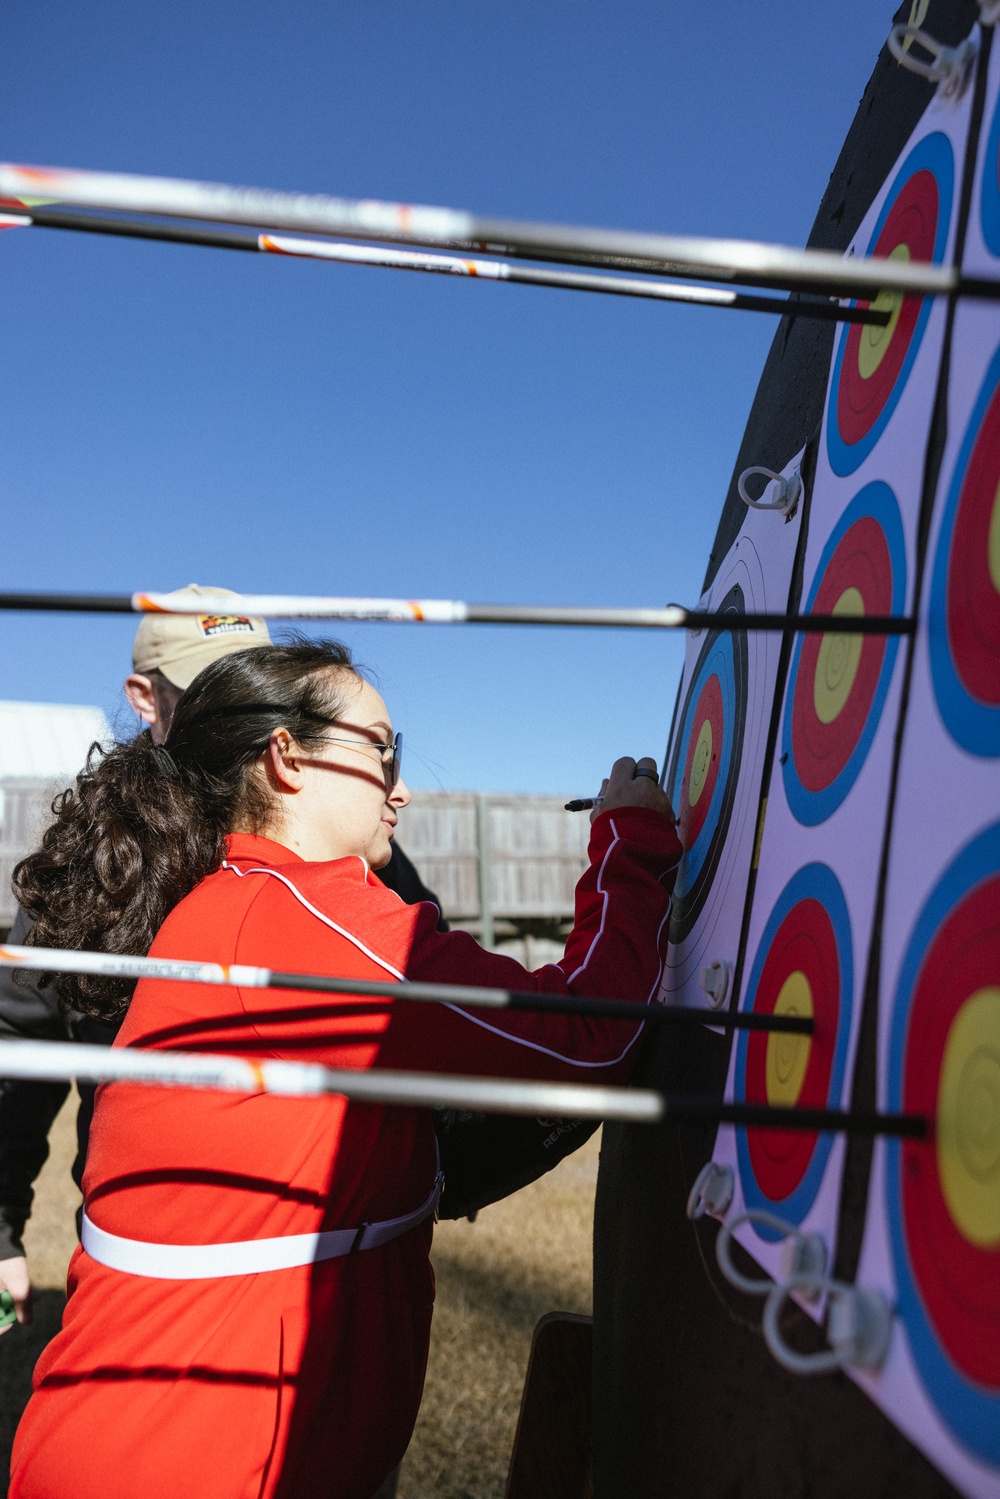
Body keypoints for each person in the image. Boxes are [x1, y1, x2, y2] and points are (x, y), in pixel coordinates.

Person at [8, 640, 680, 1499]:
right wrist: (630, 839)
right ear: (286, 760)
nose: (399, 784)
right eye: (379, 748)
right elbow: (592, 1034)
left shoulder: (242, 901)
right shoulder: (308, 915)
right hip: (193, 1458)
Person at [0, 586, 443, 1338]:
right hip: (152, 1251)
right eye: (205, 683)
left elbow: (430, 1000)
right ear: (144, 697)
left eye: (247, 678)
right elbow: (18, 1046)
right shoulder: (91, 857)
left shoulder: (350, 840)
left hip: (321, 1256)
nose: (232, 705)